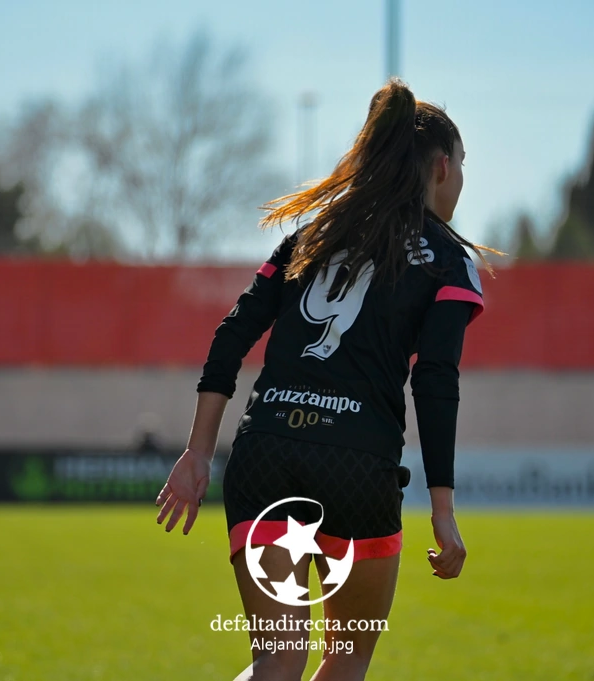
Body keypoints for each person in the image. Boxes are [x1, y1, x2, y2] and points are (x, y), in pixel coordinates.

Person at [156, 78, 492, 681]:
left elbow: (232, 334)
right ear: (443, 166)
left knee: (277, 663)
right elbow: (435, 383)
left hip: (265, 455)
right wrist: (443, 509)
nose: (461, 180)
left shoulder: (312, 234)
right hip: (357, 469)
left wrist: (198, 452)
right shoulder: (448, 257)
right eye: (463, 165)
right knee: (346, 656)